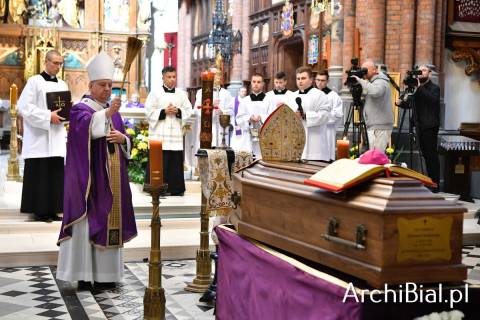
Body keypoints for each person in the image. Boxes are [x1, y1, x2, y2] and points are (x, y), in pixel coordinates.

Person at [56, 51, 137, 290]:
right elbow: (85, 132)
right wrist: (107, 114)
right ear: (91, 85)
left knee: (111, 221)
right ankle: (84, 274)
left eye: (110, 85)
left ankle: (107, 275)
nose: (107, 89)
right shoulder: (81, 109)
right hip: (88, 182)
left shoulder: (113, 112)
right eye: (102, 85)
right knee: (86, 226)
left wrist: (124, 139)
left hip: (111, 179)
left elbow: (124, 140)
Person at [17, 50, 68, 222]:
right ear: (45, 62)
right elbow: (23, 107)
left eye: (60, 63)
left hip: (57, 135)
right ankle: (39, 211)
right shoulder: (34, 82)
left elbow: (64, 107)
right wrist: (48, 116)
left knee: (55, 173)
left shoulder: (63, 84)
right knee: (40, 173)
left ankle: (54, 209)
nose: (58, 67)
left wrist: (67, 114)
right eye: (55, 63)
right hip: (39, 137)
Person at [145, 66, 192, 196]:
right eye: (169, 77)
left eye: (174, 77)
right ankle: (156, 188)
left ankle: (175, 188)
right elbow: (148, 112)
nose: (172, 80)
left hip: (175, 134)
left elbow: (189, 110)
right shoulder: (155, 93)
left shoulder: (181, 94)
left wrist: (178, 111)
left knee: (174, 161)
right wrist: (163, 111)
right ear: (163, 78)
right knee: (160, 160)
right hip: (160, 134)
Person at [397, 64, 440, 190]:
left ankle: (435, 183)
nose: (421, 72)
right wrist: (401, 103)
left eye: (424, 70)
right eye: (420, 70)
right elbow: (412, 104)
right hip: (419, 126)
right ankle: (429, 181)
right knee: (425, 155)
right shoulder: (416, 89)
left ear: (429, 73)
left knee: (431, 156)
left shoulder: (434, 88)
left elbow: (432, 100)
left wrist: (419, 87)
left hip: (430, 126)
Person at [351, 60, 393, 151]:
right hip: (375, 124)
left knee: (377, 156)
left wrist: (361, 81)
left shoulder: (381, 81)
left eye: (366, 69)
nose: (364, 72)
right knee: (374, 155)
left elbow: (375, 92)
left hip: (379, 126)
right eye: (362, 69)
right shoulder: (372, 83)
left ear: (375, 70)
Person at [294, 66, 331, 161]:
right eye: (298, 78)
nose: (300, 81)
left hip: (315, 143)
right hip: (296, 141)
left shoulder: (319, 95)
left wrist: (305, 115)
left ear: (311, 80)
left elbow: (325, 116)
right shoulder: (292, 95)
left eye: (303, 78)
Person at [234, 74, 269, 157]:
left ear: (263, 84)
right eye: (254, 82)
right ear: (251, 83)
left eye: (258, 82)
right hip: (248, 137)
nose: (256, 84)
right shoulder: (245, 101)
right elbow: (239, 118)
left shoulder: (269, 99)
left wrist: (262, 117)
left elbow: (272, 116)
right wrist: (249, 118)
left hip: (264, 135)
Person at [315, 70, 344, 161]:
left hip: (327, 130)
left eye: (322, 80)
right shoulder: (311, 94)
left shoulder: (333, 96)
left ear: (327, 81)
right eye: (318, 80)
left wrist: (320, 117)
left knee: (325, 157)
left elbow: (337, 114)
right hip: (313, 130)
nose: (319, 83)